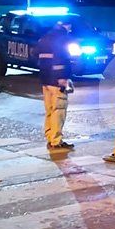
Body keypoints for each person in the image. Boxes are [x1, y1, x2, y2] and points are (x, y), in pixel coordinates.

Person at [37, 20, 74, 150]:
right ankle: (56, 140)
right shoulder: (64, 39)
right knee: (59, 110)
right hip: (58, 80)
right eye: (70, 26)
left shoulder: (44, 38)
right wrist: (62, 78)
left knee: (50, 110)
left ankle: (50, 136)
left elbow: (35, 55)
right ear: (67, 25)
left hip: (45, 79)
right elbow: (61, 58)